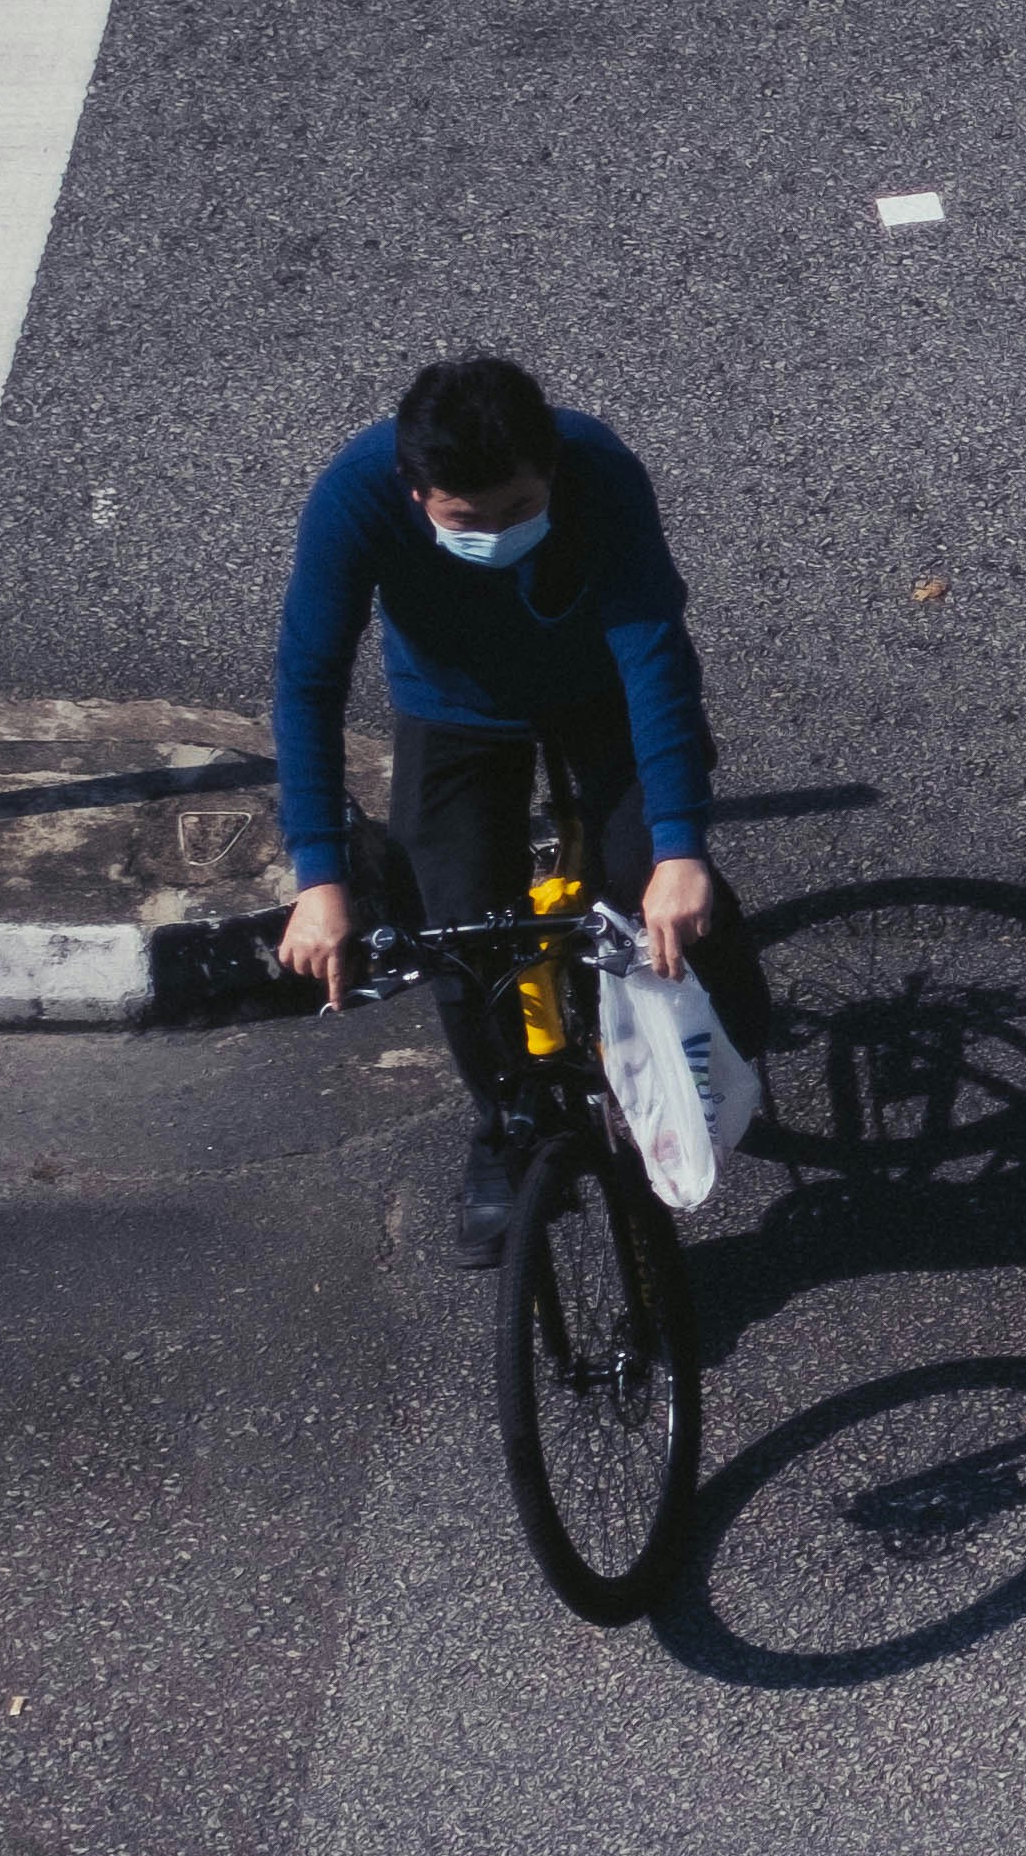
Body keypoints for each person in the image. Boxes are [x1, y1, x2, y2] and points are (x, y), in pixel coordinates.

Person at [274, 351, 765, 1260]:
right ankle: (507, 1123)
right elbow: (309, 683)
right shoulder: (353, 495)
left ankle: (728, 993)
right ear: (415, 492)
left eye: (518, 510)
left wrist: (681, 849)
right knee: (457, 922)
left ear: (549, 472)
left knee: (643, 875)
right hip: (451, 709)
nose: (495, 532)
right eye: (469, 519)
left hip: (603, 691)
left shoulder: (599, 466)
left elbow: (653, 650)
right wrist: (320, 873)